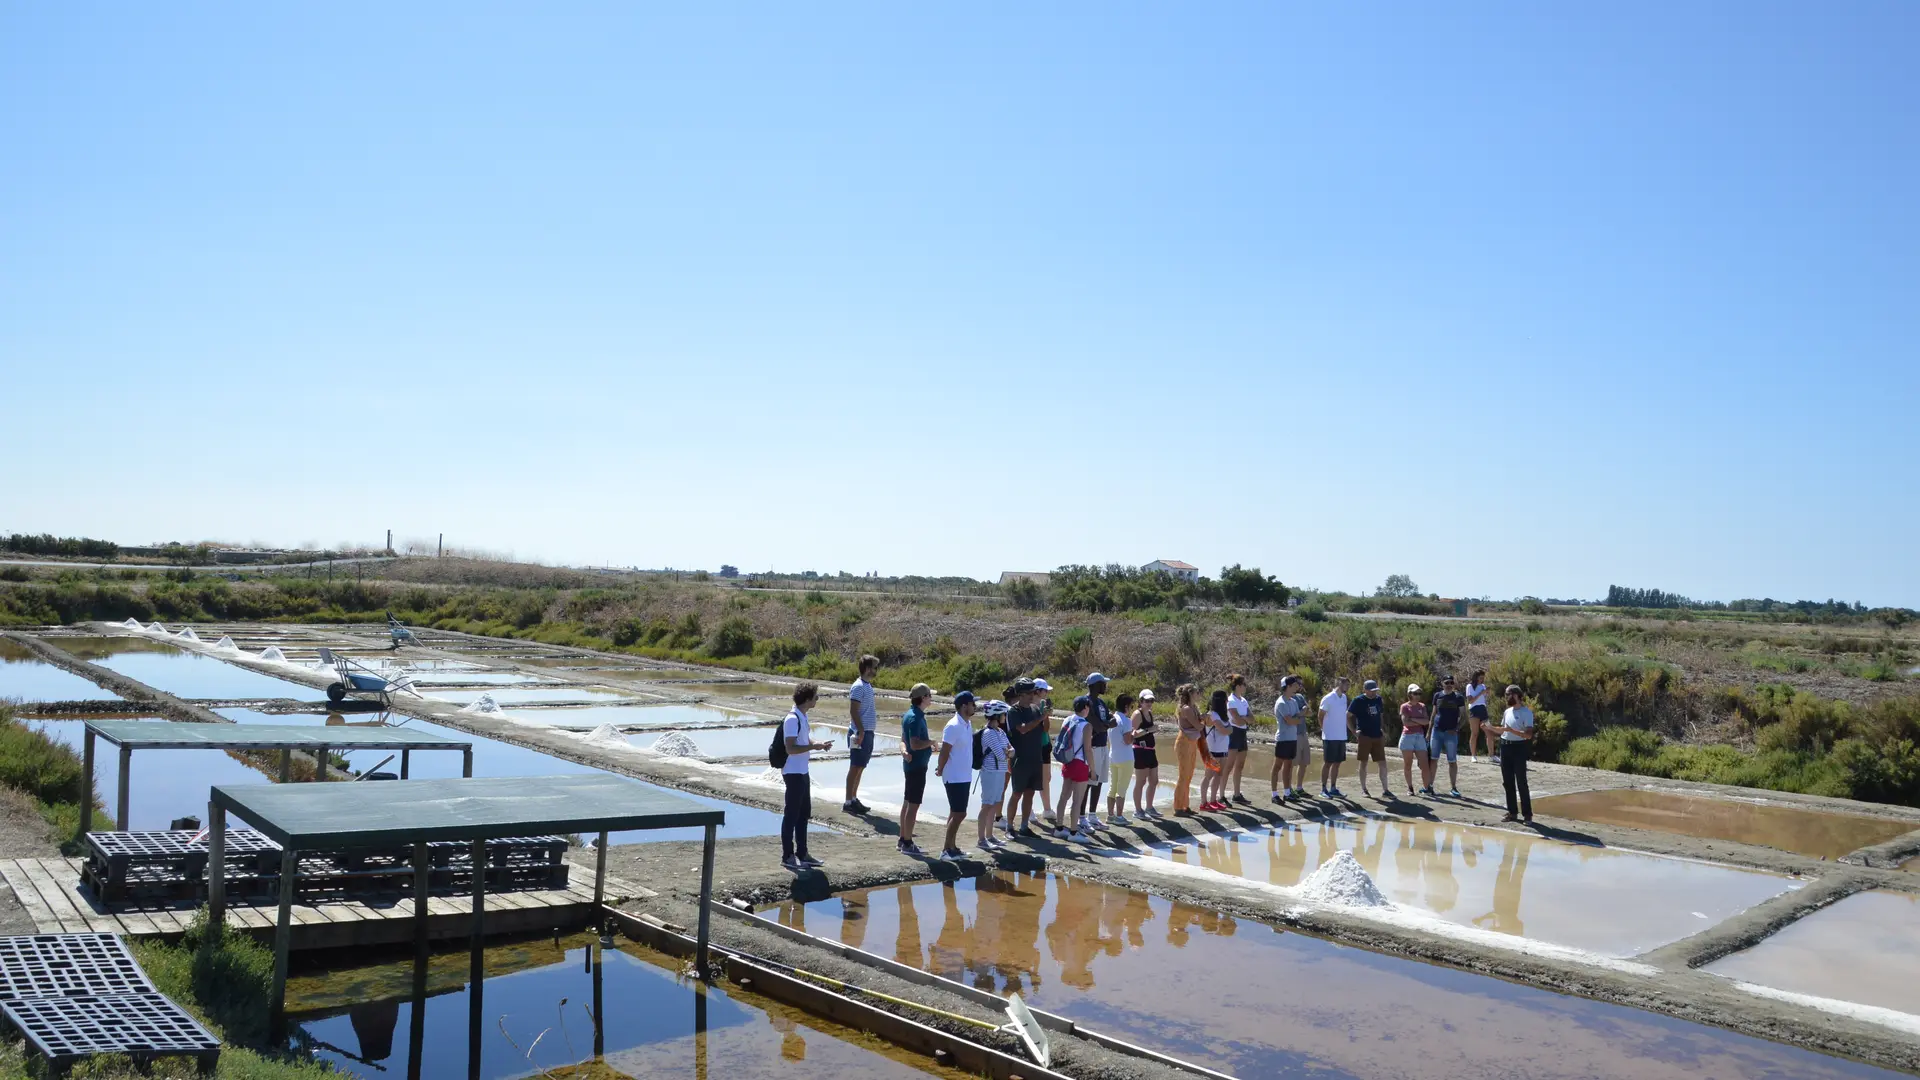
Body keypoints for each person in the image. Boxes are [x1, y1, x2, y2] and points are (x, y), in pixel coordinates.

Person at [780, 683, 832, 871]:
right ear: (807, 699)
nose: (817, 699)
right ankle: (788, 856)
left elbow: (804, 739)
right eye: (816, 697)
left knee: (803, 815)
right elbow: (790, 748)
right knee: (791, 815)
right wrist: (812, 747)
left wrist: (818, 743)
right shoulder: (791, 719)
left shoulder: (802, 716)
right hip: (792, 772)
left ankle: (802, 853)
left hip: (802, 771)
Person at [936, 691, 978, 861]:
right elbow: (945, 751)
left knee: (956, 812)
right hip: (954, 776)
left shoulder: (967, 724)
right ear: (964, 706)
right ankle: (946, 850)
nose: (975, 706)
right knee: (960, 813)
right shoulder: (953, 726)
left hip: (964, 775)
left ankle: (952, 847)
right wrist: (940, 768)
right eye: (972, 704)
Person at [1006, 679, 1048, 837]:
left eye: (1034, 692)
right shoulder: (1014, 711)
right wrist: (1040, 718)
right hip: (1020, 759)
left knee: (1030, 793)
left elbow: (1045, 729)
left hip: (1035, 757)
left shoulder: (1035, 709)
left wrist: (1046, 715)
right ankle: (1009, 827)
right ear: (1021, 694)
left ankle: (1024, 826)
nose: (1033, 695)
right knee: (1017, 793)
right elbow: (1023, 729)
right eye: (1030, 692)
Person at [897, 683, 935, 855]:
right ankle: (907, 843)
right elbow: (915, 743)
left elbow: (903, 741)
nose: (931, 698)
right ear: (923, 697)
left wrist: (904, 752)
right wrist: (931, 742)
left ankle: (902, 839)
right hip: (917, 767)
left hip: (912, 765)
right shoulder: (915, 717)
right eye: (929, 695)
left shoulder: (910, 714)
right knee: (913, 805)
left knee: (907, 802)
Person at [1492, 684, 1535, 823]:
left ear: (1516, 695)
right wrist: (1489, 728)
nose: (1506, 697)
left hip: (1519, 748)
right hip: (1505, 746)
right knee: (1507, 781)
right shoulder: (1507, 712)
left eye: (1508, 694)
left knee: (1521, 781)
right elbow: (1504, 730)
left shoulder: (1526, 713)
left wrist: (1512, 731)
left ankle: (1527, 814)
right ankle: (1512, 812)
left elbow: (1528, 735)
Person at [844, 654, 880, 814]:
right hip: (859, 733)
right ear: (867, 668)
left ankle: (853, 798)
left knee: (860, 767)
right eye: (874, 667)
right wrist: (861, 731)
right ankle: (848, 801)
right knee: (855, 767)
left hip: (866, 732)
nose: (876, 670)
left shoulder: (867, 685)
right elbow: (853, 711)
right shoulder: (858, 686)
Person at [1054, 697, 1094, 842]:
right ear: (1085, 708)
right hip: (1080, 764)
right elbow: (1088, 750)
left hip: (1068, 761)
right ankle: (1073, 832)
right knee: (1077, 800)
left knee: (1064, 796)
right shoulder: (1086, 725)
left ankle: (1059, 828)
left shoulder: (1067, 719)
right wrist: (1093, 770)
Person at [977, 700, 1014, 851]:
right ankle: (981, 839)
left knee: (993, 804)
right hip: (990, 772)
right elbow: (1001, 754)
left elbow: (1011, 749)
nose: (1005, 716)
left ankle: (990, 835)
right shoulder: (989, 733)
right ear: (996, 715)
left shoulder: (1000, 732)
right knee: (987, 804)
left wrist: (1008, 752)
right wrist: (1008, 752)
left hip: (1000, 771)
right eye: (1003, 714)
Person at [1083, 674, 1114, 832]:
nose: (1105, 686)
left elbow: (1111, 721)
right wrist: (1106, 724)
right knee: (1088, 782)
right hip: (1092, 747)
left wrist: (1105, 724)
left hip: (1102, 745)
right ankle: (1081, 817)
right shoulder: (1086, 702)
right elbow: (1097, 726)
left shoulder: (1101, 702)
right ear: (1095, 685)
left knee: (1099, 781)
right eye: (1103, 683)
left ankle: (1092, 815)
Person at [1270, 675, 1310, 802]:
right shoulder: (1281, 702)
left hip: (1292, 739)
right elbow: (1291, 720)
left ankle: (1287, 793)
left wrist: (1297, 717)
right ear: (1288, 686)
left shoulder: (1293, 701)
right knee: (1277, 766)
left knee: (1288, 766)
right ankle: (1274, 794)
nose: (1297, 687)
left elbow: (1297, 718)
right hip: (1283, 739)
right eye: (1295, 685)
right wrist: (1298, 717)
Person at [1350, 678, 1391, 799]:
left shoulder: (1378, 699)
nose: (1374, 693)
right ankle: (1364, 789)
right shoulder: (1358, 700)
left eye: (1375, 690)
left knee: (1382, 763)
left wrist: (1382, 729)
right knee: (1364, 762)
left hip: (1377, 735)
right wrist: (1354, 731)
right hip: (1364, 735)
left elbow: (1380, 715)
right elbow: (1348, 715)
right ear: (1365, 690)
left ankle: (1386, 790)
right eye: (1371, 690)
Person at [1430, 675, 1467, 797]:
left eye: (1451, 682)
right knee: (1433, 759)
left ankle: (1453, 787)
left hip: (1451, 733)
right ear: (1442, 683)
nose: (1449, 685)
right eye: (1447, 682)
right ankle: (1429, 786)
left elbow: (1463, 716)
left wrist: (1456, 728)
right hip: (1437, 731)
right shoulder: (1437, 696)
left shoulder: (1458, 697)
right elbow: (1433, 714)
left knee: (1452, 761)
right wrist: (1428, 732)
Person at [1130, 688, 1161, 817]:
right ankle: (1138, 810)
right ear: (1141, 701)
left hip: (1150, 751)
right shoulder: (1137, 714)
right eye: (1147, 701)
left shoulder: (1150, 713)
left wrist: (1153, 730)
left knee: (1154, 781)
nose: (1149, 703)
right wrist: (1149, 730)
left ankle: (1149, 807)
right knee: (1141, 782)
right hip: (1140, 751)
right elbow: (1132, 734)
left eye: (1151, 700)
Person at [1318, 677, 1351, 798]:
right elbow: (1320, 716)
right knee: (1328, 763)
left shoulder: (1344, 698)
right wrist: (1324, 730)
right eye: (1346, 684)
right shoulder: (1328, 698)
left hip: (1341, 736)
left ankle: (1333, 788)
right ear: (1339, 684)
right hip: (1330, 737)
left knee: (1337, 763)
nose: (1348, 687)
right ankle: (1323, 789)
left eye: (1348, 685)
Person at [1397, 683, 1432, 796]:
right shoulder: (1404, 706)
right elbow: (1406, 723)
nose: (1417, 696)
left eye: (1419, 693)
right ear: (1410, 694)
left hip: (1419, 736)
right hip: (1408, 736)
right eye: (1415, 693)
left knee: (1424, 764)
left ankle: (1426, 787)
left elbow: (1426, 721)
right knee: (1408, 764)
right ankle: (1410, 788)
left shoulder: (1422, 706)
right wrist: (1418, 721)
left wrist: (1412, 718)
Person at [1173, 683, 1203, 815]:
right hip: (1184, 742)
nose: (1198, 694)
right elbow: (1198, 726)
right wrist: (1204, 720)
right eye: (1197, 692)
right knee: (1183, 775)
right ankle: (1178, 807)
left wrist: (1203, 719)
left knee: (1189, 775)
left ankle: (1185, 805)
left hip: (1192, 742)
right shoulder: (1186, 708)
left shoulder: (1193, 707)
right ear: (1191, 694)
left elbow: (1199, 723)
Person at [1106, 691, 1135, 824]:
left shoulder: (1112, 719)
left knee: (1113, 787)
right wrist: (1135, 735)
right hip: (1125, 757)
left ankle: (1110, 815)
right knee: (1122, 788)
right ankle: (1119, 816)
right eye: (1131, 707)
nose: (1131, 709)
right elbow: (1128, 740)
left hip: (1113, 756)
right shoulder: (1126, 721)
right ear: (1126, 707)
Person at [1224, 674, 1252, 804]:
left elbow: (1252, 719)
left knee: (1239, 765)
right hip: (1233, 733)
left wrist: (1244, 718)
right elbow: (1238, 721)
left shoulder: (1244, 700)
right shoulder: (1231, 700)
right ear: (1238, 686)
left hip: (1242, 734)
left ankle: (1236, 794)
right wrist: (1245, 718)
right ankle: (1221, 795)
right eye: (1244, 684)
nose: (1246, 687)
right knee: (1228, 766)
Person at [1202, 689, 1232, 811]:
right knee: (1208, 776)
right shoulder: (1212, 715)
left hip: (1223, 749)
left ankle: (1213, 800)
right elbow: (1225, 730)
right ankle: (1204, 802)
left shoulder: (1223, 715)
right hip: (1213, 751)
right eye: (1226, 700)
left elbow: (1228, 729)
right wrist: (1228, 729)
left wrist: (1228, 729)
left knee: (1219, 775)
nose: (1227, 702)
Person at [1033, 678, 1057, 824]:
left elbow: (1046, 728)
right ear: (1037, 691)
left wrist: (1046, 715)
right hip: (1033, 746)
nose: (1047, 693)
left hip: (1045, 744)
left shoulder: (1043, 704)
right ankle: (1029, 810)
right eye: (1045, 690)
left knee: (1046, 778)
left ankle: (1047, 809)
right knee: (1030, 779)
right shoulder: (1028, 706)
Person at [1465, 670, 1492, 762]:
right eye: (1480, 678)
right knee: (1475, 733)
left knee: (1489, 731)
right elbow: (1470, 701)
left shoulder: (1483, 686)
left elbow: (1484, 699)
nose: (1482, 679)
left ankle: (1491, 755)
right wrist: (1481, 693)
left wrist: (1487, 693)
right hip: (1474, 709)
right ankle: (1473, 755)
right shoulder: (1469, 686)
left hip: (1483, 709)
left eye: (1483, 678)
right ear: (1476, 677)